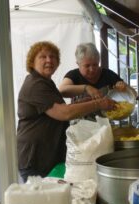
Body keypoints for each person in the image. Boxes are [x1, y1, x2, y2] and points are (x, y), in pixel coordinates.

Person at [17, 41, 116, 182]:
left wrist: (87, 101)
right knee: (43, 200)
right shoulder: (35, 84)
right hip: (35, 158)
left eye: (52, 57)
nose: (49, 60)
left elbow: (62, 108)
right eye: (43, 57)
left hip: (47, 155)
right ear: (32, 62)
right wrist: (98, 103)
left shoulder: (46, 82)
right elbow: (64, 113)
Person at [59, 42, 136, 102]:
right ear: (78, 64)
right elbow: (61, 90)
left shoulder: (107, 74)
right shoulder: (73, 75)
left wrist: (124, 87)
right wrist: (86, 88)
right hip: (80, 120)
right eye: (87, 66)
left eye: (95, 65)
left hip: (104, 119)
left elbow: (134, 94)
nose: (92, 69)